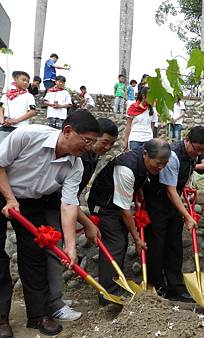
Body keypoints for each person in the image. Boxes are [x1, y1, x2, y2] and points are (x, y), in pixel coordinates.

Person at [0, 112, 99, 337]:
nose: (89, 147)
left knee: (35, 257)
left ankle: (38, 315)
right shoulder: (28, 135)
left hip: (31, 202)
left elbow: (68, 205)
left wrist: (70, 246)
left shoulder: (76, 167)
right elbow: (0, 165)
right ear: (67, 131)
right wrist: (9, 199)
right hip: (3, 189)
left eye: (92, 143)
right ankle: (1, 319)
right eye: (87, 141)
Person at [45, 117, 118, 321]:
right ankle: (55, 304)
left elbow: (73, 197)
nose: (108, 147)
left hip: (63, 205)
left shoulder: (90, 158)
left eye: (112, 144)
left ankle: (53, 298)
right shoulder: (79, 158)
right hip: (53, 204)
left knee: (59, 252)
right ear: (92, 138)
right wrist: (88, 224)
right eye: (104, 142)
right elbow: (67, 199)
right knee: (57, 252)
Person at [88, 139, 172, 304]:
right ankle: (108, 295)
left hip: (117, 203)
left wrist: (138, 191)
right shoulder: (126, 168)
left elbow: (135, 183)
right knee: (116, 244)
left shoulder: (142, 162)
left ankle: (114, 287)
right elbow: (124, 210)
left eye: (165, 163)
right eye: (158, 163)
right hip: (104, 205)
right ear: (146, 155)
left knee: (119, 243)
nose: (161, 167)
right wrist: (137, 239)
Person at [143, 126, 204, 301]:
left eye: (202, 152)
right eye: (196, 149)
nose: (198, 154)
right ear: (187, 140)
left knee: (175, 246)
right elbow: (170, 191)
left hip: (172, 204)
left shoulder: (191, 156)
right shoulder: (172, 156)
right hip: (157, 203)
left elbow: (179, 186)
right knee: (157, 246)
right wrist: (187, 216)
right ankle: (157, 286)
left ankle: (176, 287)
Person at [0, 71, 36, 143]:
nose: (26, 82)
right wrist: (1, 120)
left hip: (21, 128)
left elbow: (32, 111)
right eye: (23, 80)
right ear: (15, 80)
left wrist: (15, 120)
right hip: (5, 127)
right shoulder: (6, 95)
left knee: (16, 151)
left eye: (28, 81)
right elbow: (1, 108)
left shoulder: (29, 96)